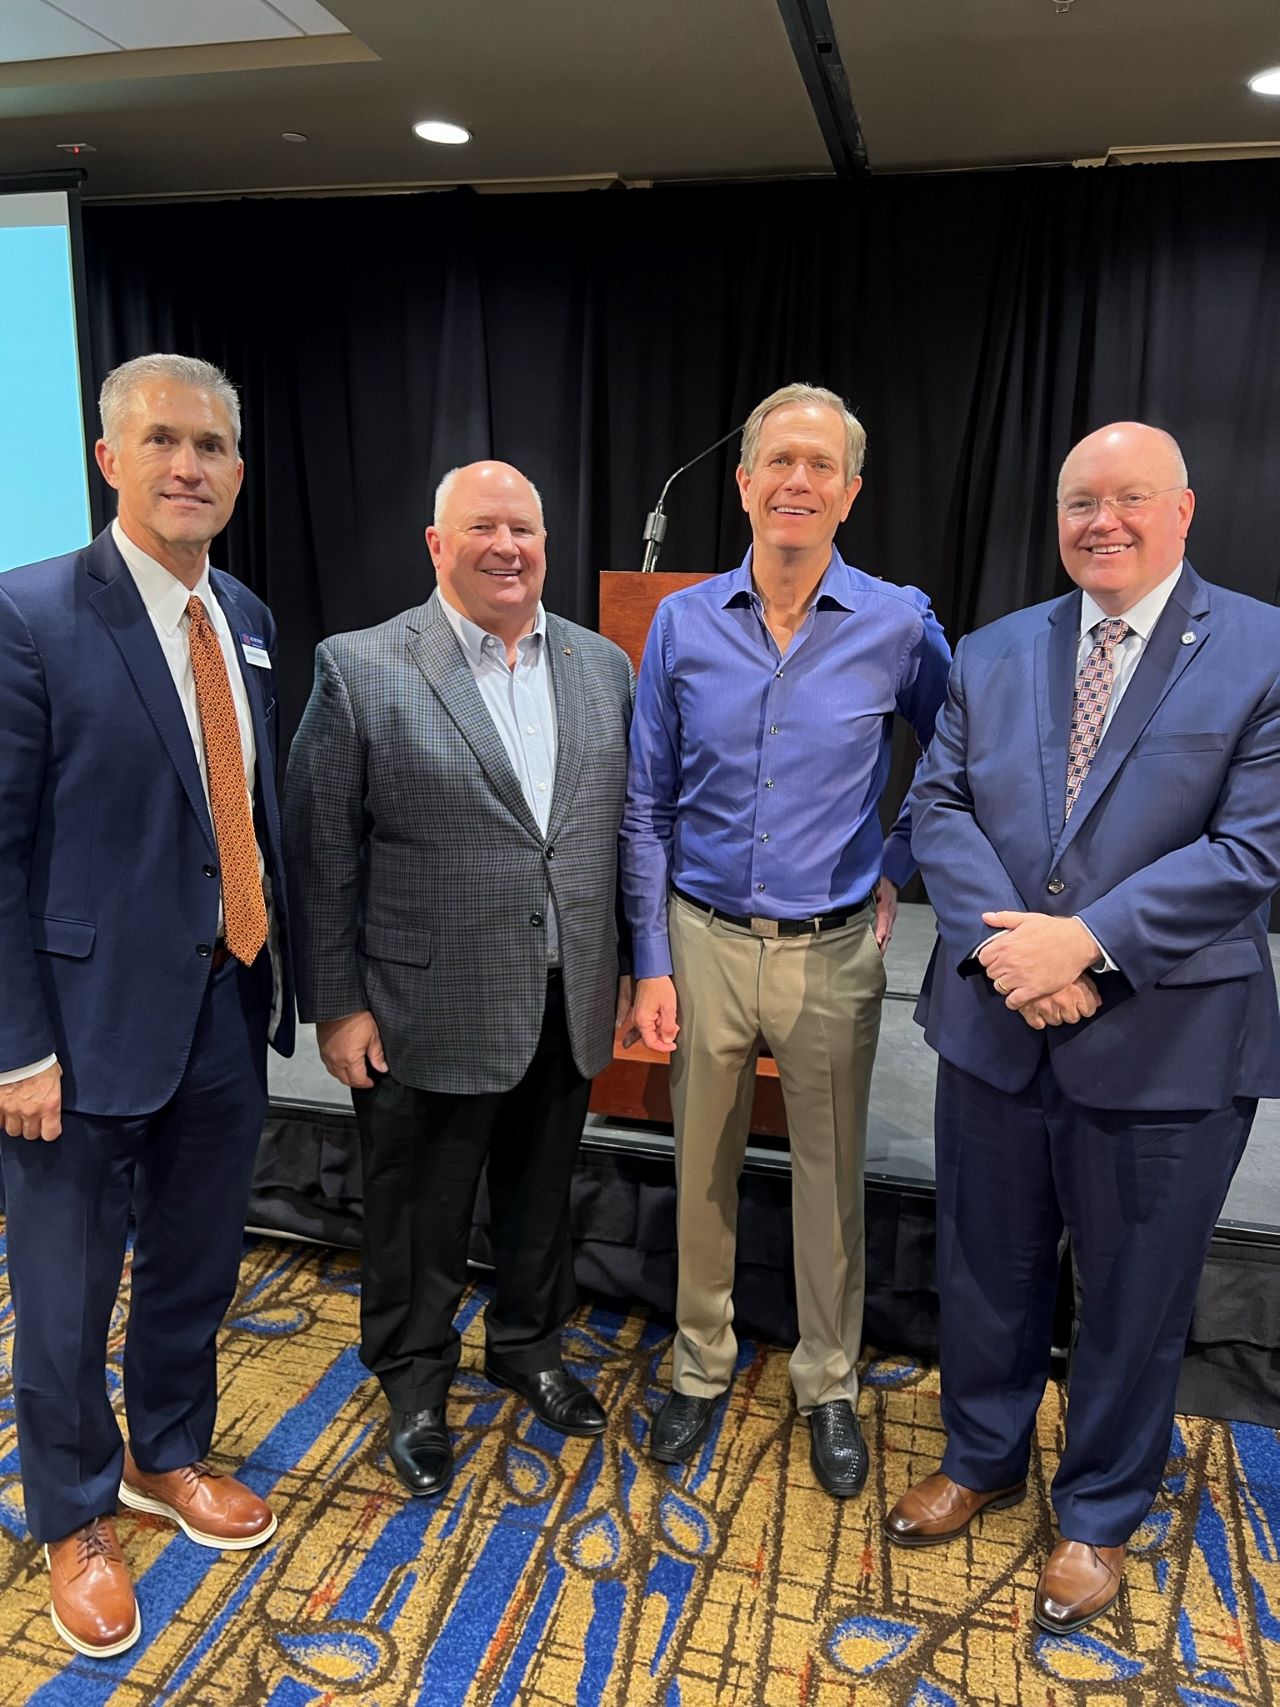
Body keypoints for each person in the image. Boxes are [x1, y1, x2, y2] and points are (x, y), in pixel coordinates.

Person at [890, 421, 1280, 1633]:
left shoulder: (1263, 647)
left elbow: (1250, 847)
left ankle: (1100, 1509)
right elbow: (934, 803)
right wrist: (1018, 955)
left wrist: (1086, 945)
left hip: (1166, 1038)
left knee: (1133, 1290)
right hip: (996, 1021)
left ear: (1181, 510)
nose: (1098, 521)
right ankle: (980, 1455)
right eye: (1076, 501)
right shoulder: (995, 649)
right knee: (985, 1267)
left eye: (1126, 499)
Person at [0, 354, 294, 1658]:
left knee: (195, 1261)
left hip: (224, 1005)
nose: (191, 465)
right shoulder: (28, 614)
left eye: (214, 446)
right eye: (164, 440)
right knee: (62, 1292)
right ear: (109, 459)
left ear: (237, 471)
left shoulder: (247, 613)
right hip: (71, 1028)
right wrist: (13, 1039)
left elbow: (242, 802)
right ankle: (70, 1510)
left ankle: (164, 1448)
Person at [621, 382, 951, 1495]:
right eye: (779, 461)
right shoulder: (679, 622)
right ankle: (700, 1364)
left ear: (849, 493)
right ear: (744, 482)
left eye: (820, 465)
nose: (797, 481)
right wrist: (651, 961)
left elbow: (950, 758)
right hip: (701, 938)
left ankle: (827, 1381)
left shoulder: (899, 623)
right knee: (699, 1165)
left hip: (829, 949)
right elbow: (643, 803)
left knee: (828, 1178)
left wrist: (895, 864)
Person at [284, 460, 633, 1499]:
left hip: (564, 998)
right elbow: (322, 852)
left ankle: (528, 1347)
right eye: (480, 527)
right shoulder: (361, 667)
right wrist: (337, 1003)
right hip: (418, 1005)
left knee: (540, 1205)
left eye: (522, 527)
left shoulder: (601, 665)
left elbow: (607, 837)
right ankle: (413, 1378)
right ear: (437, 546)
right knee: (415, 1214)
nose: (506, 547)